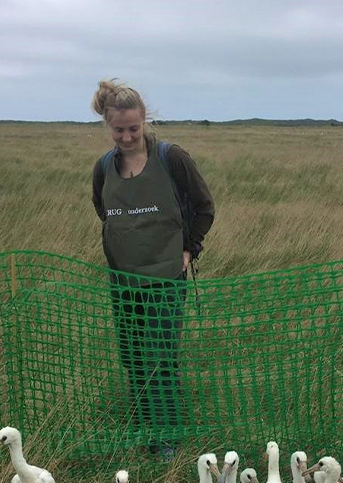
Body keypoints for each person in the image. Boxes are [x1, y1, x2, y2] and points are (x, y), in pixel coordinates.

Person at [90, 79, 216, 458]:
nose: (127, 137)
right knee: (133, 357)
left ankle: (167, 441)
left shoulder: (171, 158)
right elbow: (103, 210)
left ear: (145, 120)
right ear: (107, 126)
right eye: (119, 130)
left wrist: (189, 248)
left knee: (161, 357)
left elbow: (204, 206)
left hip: (165, 277)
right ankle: (145, 427)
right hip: (123, 279)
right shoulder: (103, 167)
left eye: (133, 128)